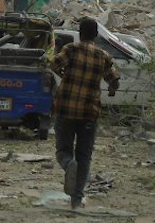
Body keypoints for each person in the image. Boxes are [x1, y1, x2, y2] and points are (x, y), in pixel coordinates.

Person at [50, 17, 119, 209]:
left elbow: (53, 64)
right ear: (96, 35)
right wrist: (112, 88)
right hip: (89, 112)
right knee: (85, 155)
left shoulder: (71, 50)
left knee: (63, 150)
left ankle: (67, 164)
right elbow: (114, 79)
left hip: (66, 109)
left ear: (79, 33)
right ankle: (77, 198)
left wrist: (65, 75)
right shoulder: (103, 56)